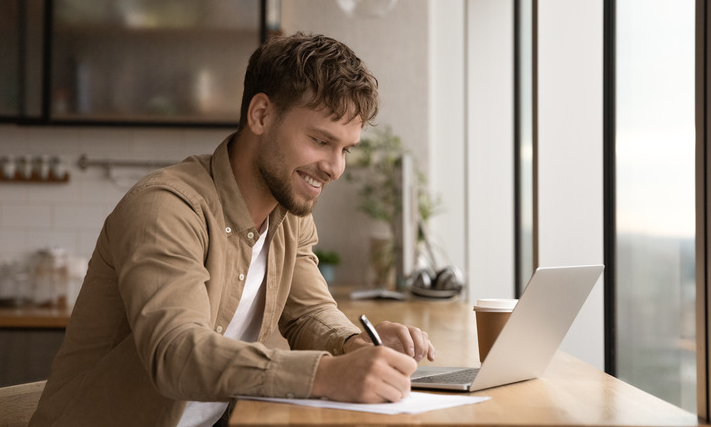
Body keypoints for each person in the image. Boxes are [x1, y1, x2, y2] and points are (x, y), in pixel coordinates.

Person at [29, 32, 435, 427]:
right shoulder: (166, 207)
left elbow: (309, 311)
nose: (334, 168)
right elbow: (176, 353)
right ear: (261, 115)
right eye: (319, 140)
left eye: (345, 149)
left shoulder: (291, 213)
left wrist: (353, 344)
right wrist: (327, 375)